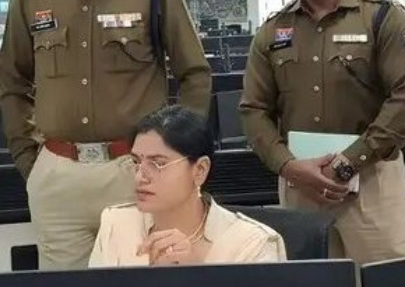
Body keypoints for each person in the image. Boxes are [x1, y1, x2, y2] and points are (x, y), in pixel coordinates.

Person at [0, 0, 212, 270]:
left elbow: (194, 73)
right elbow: (11, 81)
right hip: (58, 176)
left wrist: (178, 155)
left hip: (135, 171)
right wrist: (29, 158)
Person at [239, 0, 405, 264]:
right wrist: (287, 166)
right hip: (301, 183)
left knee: (383, 285)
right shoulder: (274, 30)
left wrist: (349, 162)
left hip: (371, 181)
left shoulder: (382, 18)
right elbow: (253, 109)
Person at [89, 105, 286, 266]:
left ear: (200, 170)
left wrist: (197, 278)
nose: (141, 177)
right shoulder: (116, 223)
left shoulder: (253, 244)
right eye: (136, 162)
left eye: (158, 164)